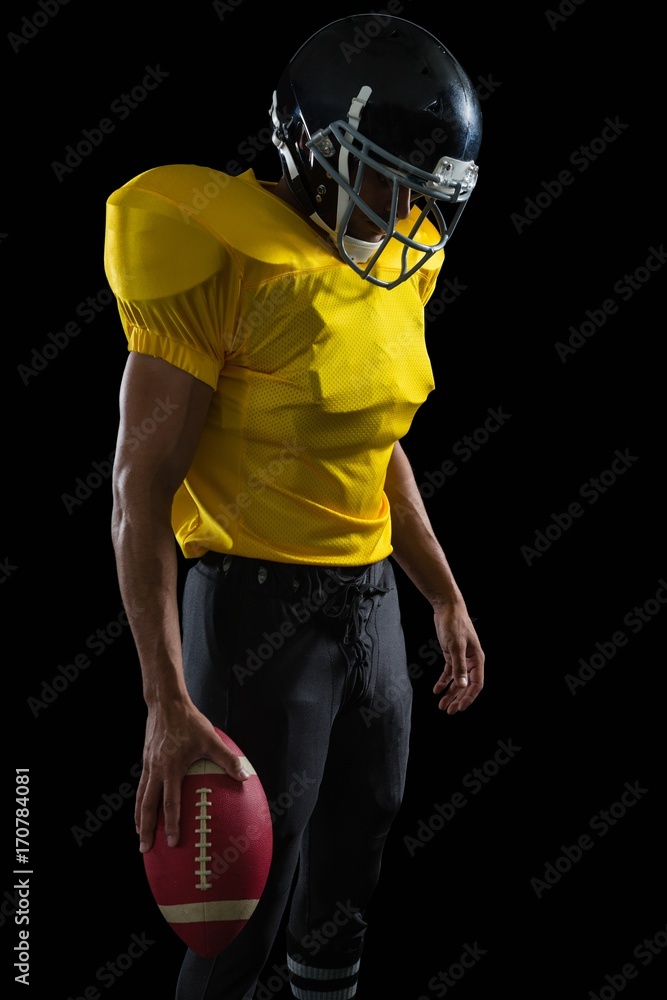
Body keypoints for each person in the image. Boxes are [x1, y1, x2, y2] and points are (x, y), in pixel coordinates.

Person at [104, 14, 485, 1000]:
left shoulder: (391, 255)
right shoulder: (213, 245)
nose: (406, 206)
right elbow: (137, 493)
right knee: (240, 905)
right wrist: (164, 697)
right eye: (386, 173)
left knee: (353, 860)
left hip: (368, 604)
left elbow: (371, 445)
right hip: (253, 610)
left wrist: (439, 593)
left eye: (422, 185)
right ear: (312, 151)